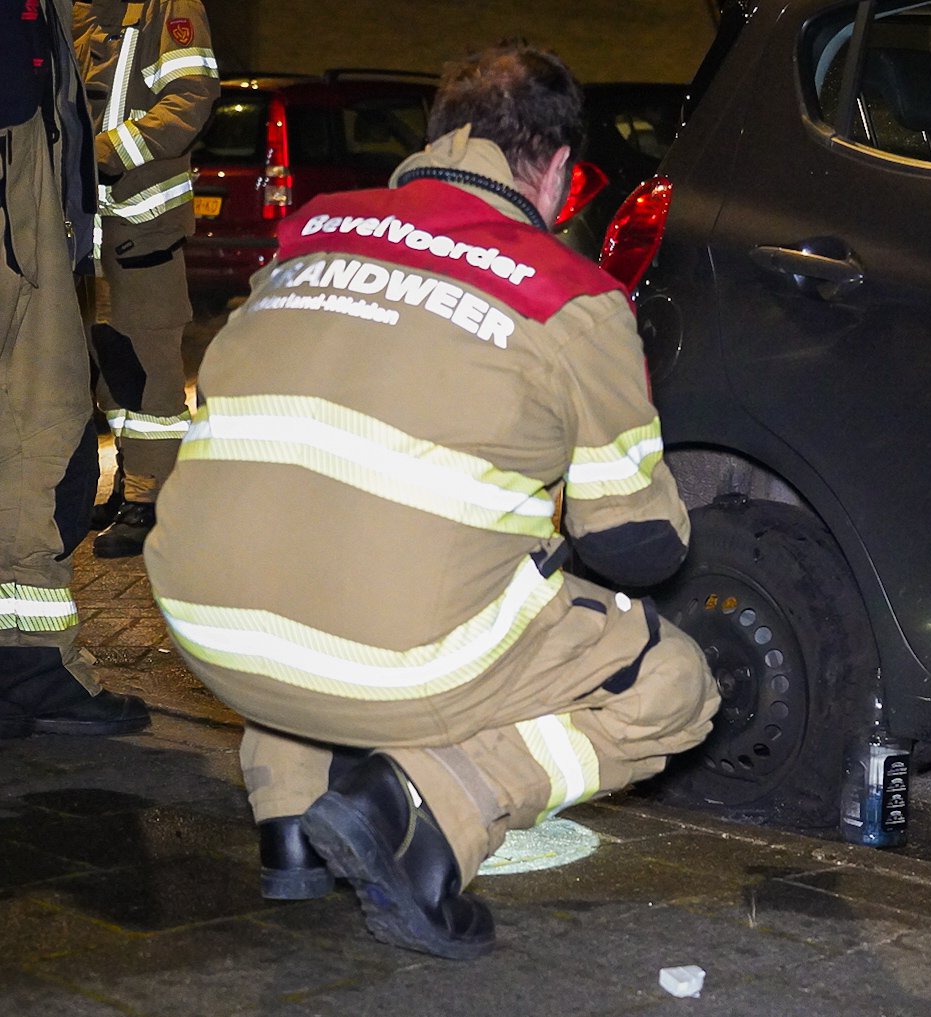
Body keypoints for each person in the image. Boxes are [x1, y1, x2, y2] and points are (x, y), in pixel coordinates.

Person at [144, 41, 720, 961]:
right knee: (672, 681)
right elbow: (637, 542)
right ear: (562, 175)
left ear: (437, 138)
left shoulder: (310, 235)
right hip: (387, 660)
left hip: (207, 628)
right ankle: (431, 808)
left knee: (313, 542)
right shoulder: (573, 294)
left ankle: (288, 822)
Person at [1, 0, 150, 738]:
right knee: (41, 436)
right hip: (19, 184)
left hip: (32, 193)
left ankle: (26, 666)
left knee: (44, 438)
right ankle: (28, 669)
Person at [73, 0, 218, 558]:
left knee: (150, 361)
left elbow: (190, 98)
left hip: (144, 217)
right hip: (89, 222)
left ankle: (154, 499)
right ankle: (128, 487)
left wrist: (104, 153)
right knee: (110, 358)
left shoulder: (170, 8)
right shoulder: (80, 9)